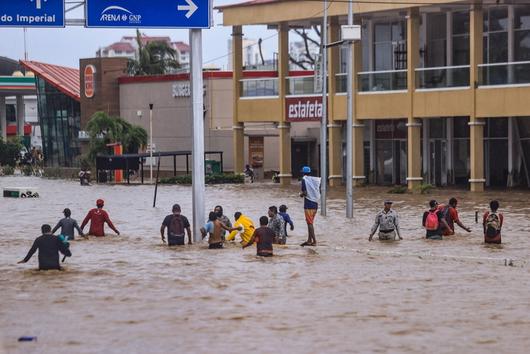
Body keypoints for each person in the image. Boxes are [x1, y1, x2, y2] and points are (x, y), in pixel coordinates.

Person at [300, 166, 320, 246]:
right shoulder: (314, 180)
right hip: (315, 204)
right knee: (310, 222)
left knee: (309, 223)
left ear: (303, 172)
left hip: (308, 205)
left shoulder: (304, 180)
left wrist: (301, 195)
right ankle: (309, 240)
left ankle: (314, 241)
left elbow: (305, 193)